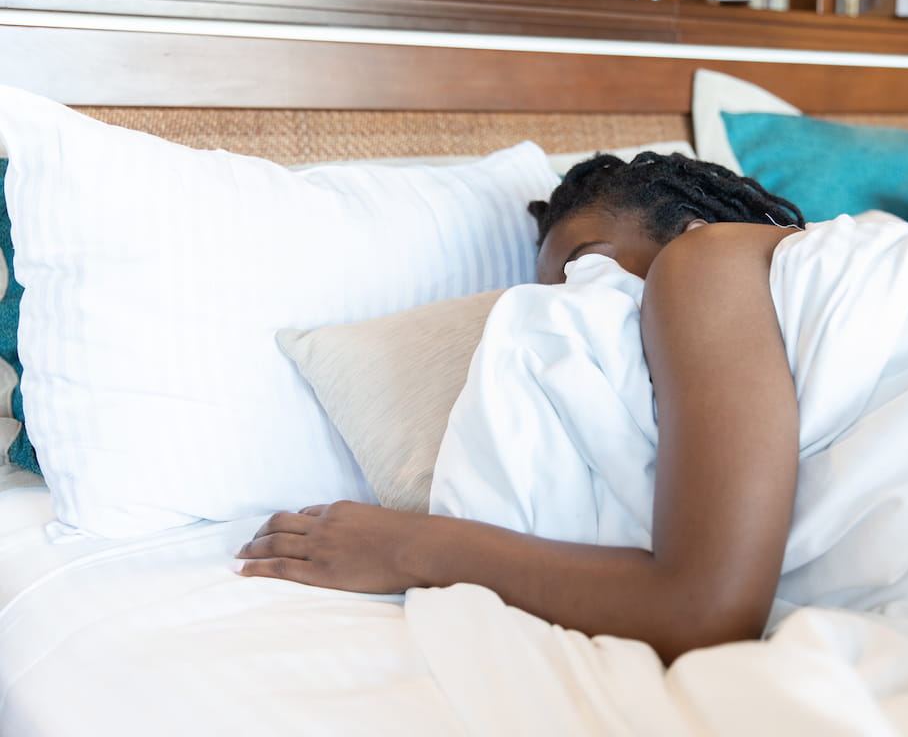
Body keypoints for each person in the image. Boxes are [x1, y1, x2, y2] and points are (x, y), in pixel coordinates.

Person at [237, 152, 808, 664]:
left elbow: (705, 611)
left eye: (589, 265)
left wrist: (408, 546)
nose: (571, 303)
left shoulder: (703, 259)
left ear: (689, 230)